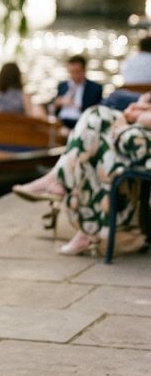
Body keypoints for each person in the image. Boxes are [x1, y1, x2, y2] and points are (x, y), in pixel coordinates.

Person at [13, 94, 151, 255]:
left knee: (98, 129)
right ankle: (86, 230)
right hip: (136, 136)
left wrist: (138, 116)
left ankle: (59, 181)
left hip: (141, 141)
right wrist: (140, 107)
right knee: (95, 124)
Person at [47, 54, 104, 128]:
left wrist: (76, 105)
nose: (74, 75)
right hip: (61, 122)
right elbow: (52, 107)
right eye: (71, 72)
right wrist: (59, 102)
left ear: (84, 70)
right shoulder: (63, 85)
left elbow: (95, 111)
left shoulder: (95, 88)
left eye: (77, 72)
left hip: (81, 123)